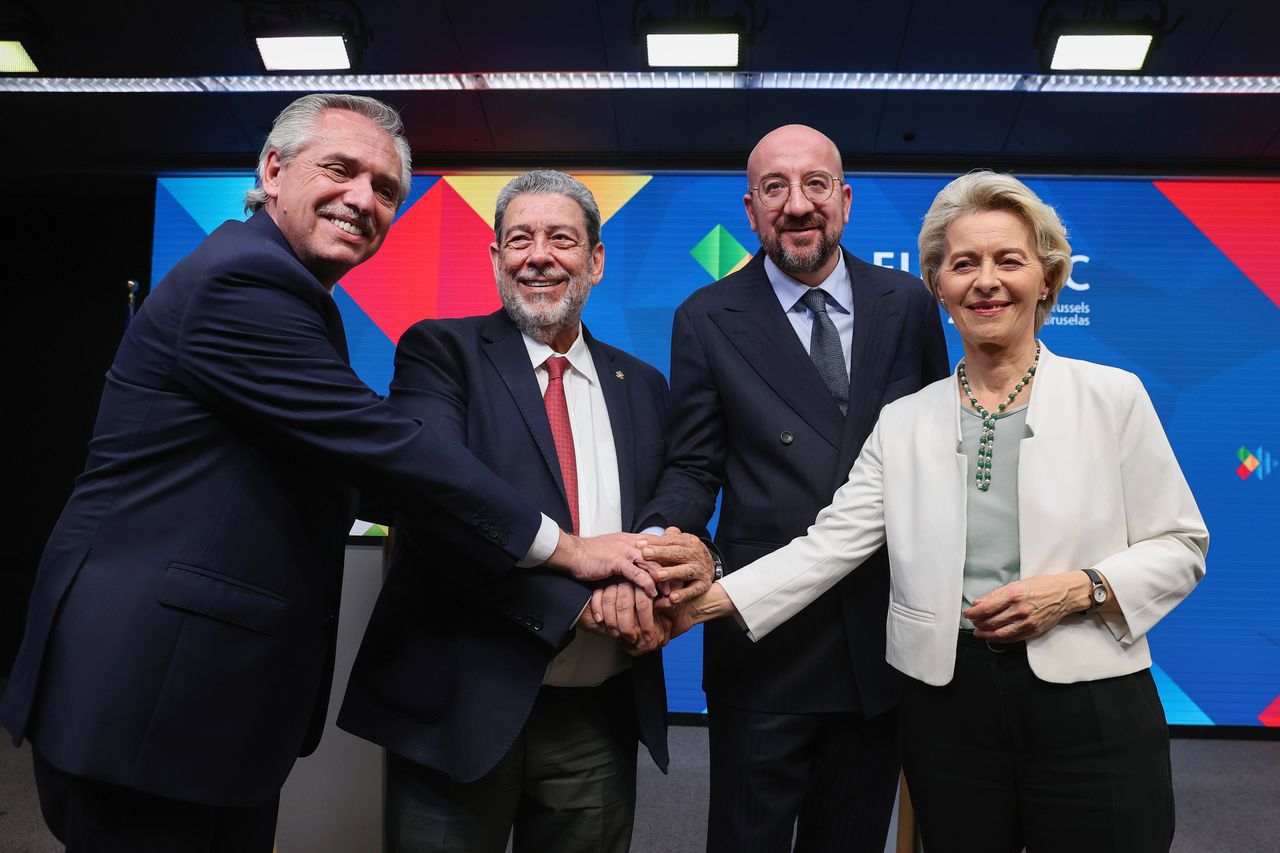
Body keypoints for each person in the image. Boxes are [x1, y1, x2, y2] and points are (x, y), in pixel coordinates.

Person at [0, 95, 670, 853]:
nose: (362, 198)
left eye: (385, 189)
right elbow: (387, 451)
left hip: (198, 698)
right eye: (341, 169)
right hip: (153, 695)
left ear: (597, 257)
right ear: (273, 169)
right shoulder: (246, 280)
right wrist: (572, 551)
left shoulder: (284, 289)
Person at [666, 171, 1209, 853]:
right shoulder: (903, 421)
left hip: (1091, 700)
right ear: (940, 289)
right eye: (964, 264)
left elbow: (1182, 545)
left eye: (1008, 260)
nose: (986, 280)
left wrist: (1081, 588)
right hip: (947, 709)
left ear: (1047, 279)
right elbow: (827, 546)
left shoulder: (1113, 396)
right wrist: (701, 604)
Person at [339, 170, 690, 853]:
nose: (538, 256)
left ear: (595, 259)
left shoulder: (643, 384)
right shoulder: (441, 352)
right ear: (496, 258)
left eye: (561, 238)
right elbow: (437, 501)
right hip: (461, 705)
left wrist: (659, 572)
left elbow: (668, 502)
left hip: (597, 712)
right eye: (518, 239)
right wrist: (579, 601)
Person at [636, 124, 949, 853]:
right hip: (765, 640)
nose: (797, 203)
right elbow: (692, 466)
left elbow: (941, 450)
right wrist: (656, 543)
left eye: (815, 184)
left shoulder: (906, 302)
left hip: (880, 633)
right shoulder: (707, 317)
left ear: (845, 200)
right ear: (750, 211)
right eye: (774, 187)